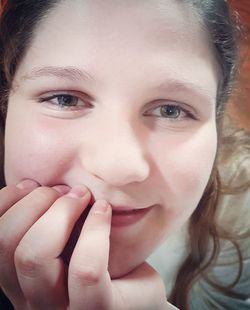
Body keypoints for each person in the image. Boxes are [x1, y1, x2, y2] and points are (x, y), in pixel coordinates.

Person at [0, 0, 249, 309]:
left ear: (217, 121)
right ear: (6, 105)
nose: (118, 167)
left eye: (171, 110)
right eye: (64, 99)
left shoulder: (243, 215)